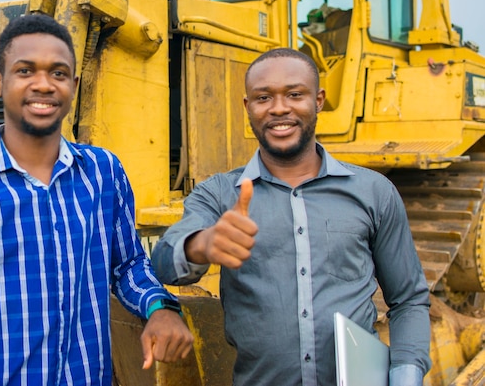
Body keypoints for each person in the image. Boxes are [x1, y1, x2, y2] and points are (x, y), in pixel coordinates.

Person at [0, 13, 193, 386]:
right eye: (25, 71)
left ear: (73, 84)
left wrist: (160, 307)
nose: (44, 84)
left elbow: (128, 265)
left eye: (57, 73)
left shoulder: (103, 172)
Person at [151, 48, 431, 386]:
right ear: (247, 107)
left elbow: (408, 298)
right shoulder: (220, 194)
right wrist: (202, 245)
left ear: (319, 100)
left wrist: (405, 375)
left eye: (295, 94)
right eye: (263, 97)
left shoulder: (374, 192)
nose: (279, 108)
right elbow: (164, 263)